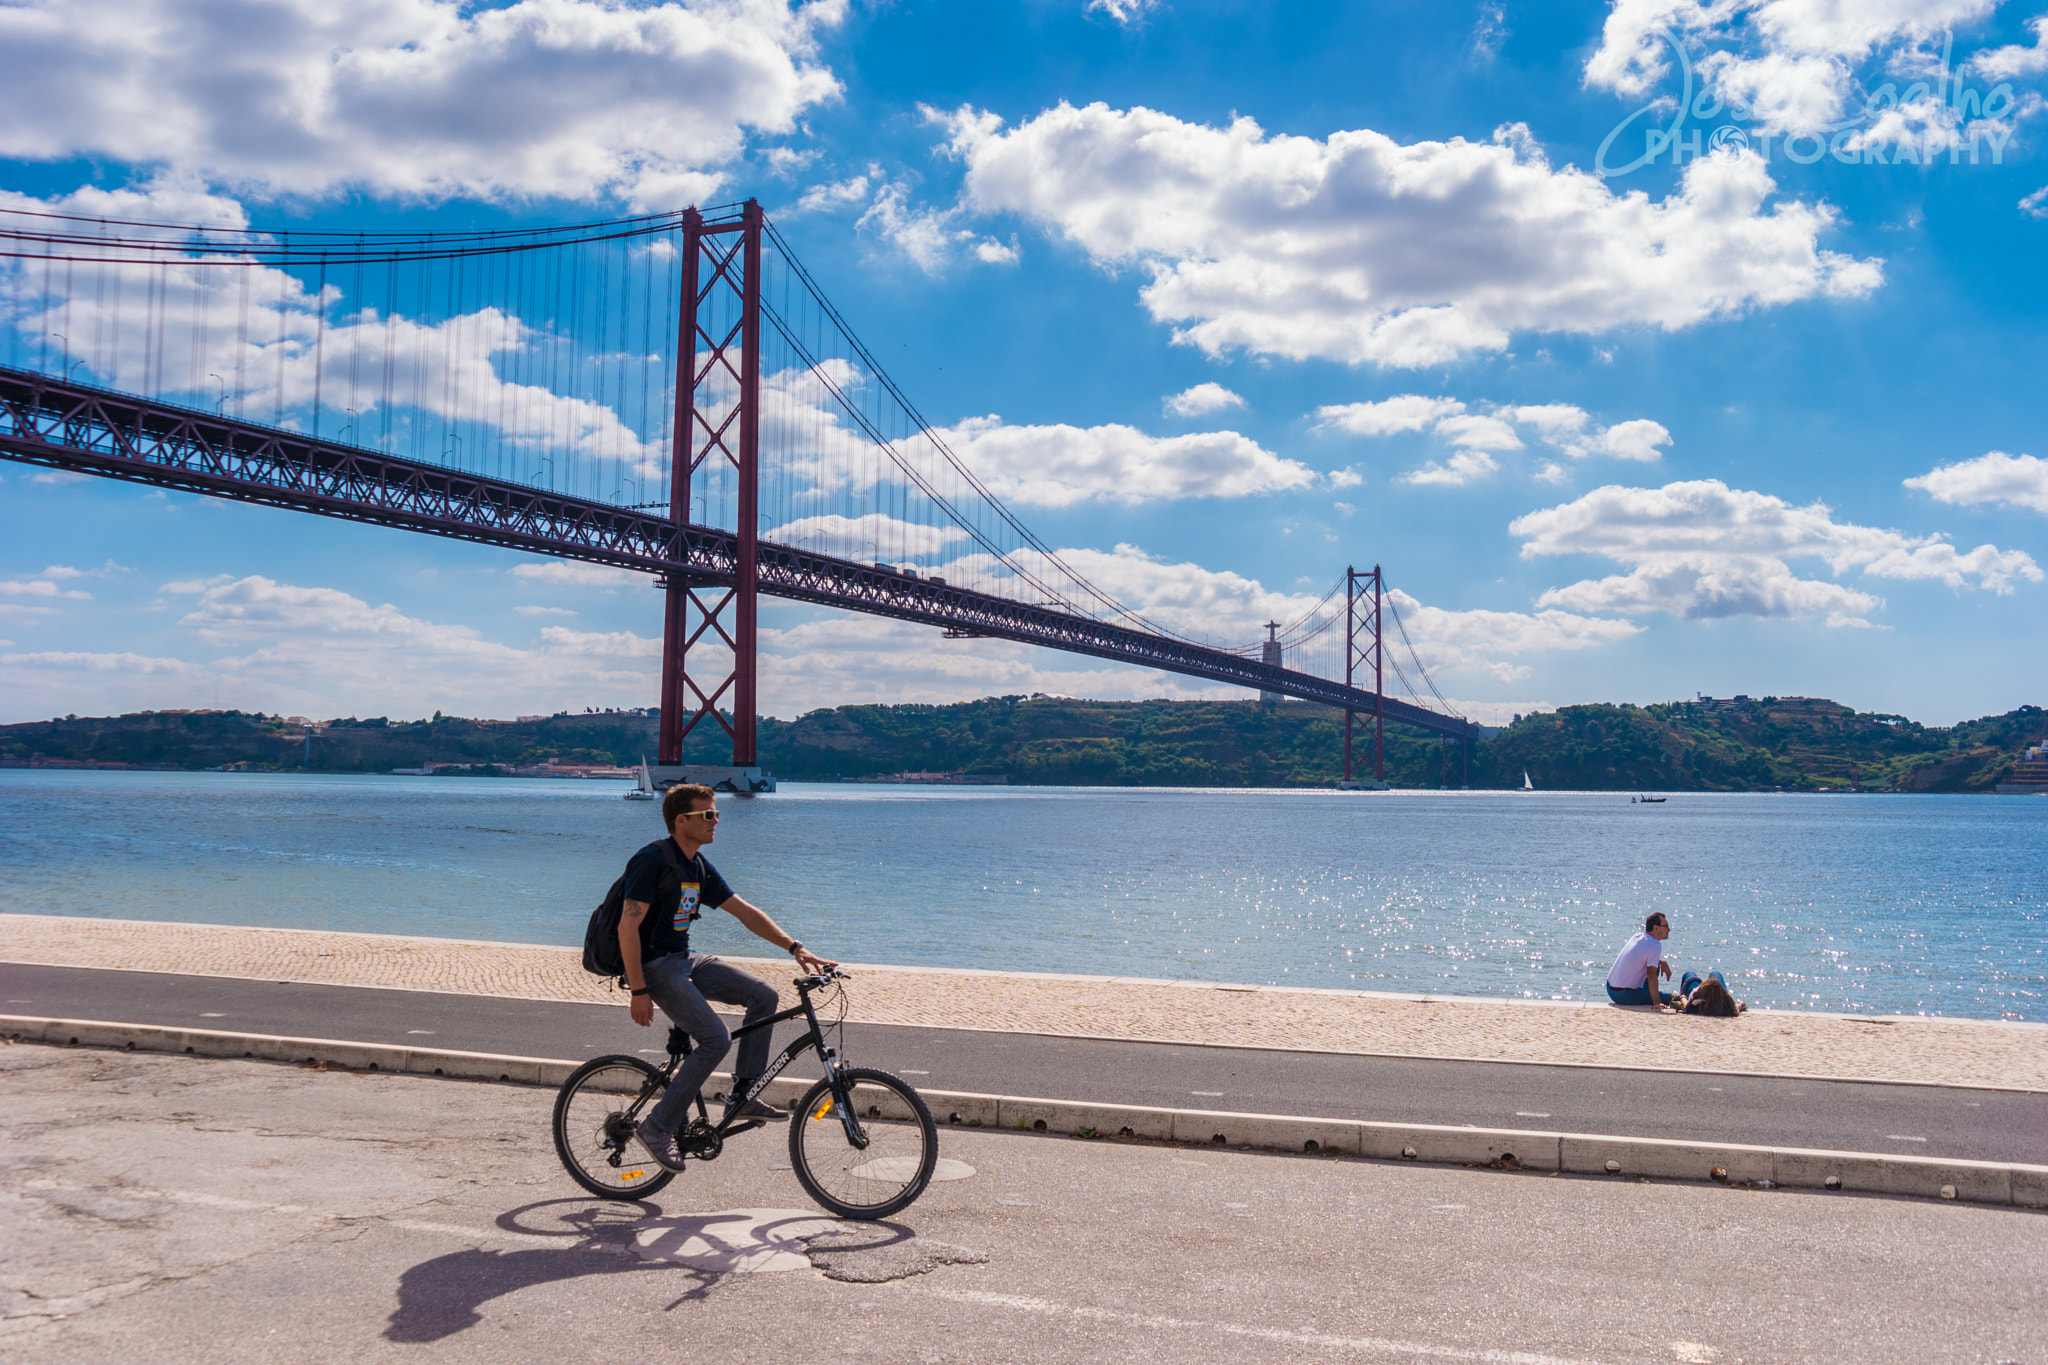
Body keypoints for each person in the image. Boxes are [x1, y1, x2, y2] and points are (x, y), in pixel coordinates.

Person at [619, 782, 837, 1173]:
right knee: (715, 1039)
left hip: (685, 960)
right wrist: (638, 989)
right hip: (656, 966)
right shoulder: (652, 860)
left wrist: (795, 947)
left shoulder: (698, 865)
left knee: (763, 995)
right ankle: (656, 1127)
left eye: (716, 813)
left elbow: (745, 912)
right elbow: (627, 927)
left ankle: (744, 1093)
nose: (716, 820)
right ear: (681, 820)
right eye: (708, 814)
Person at [1605, 912, 1678, 1009]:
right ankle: (1652, 997)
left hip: (1611, 990)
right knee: (1674, 998)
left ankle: (1648, 993)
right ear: (1656, 928)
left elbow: (1639, 957)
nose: (1669, 929)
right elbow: (1651, 975)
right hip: (1625, 995)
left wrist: (1661, 961)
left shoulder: (1637, 937)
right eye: (1666, 926)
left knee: (1655, 965)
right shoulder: (1655, 945)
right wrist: (1657, 1003)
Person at [1677, 970, 1747, 1016]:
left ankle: (1710, 986)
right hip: (1719, 992)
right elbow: (1736, 1008)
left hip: (1695, 991)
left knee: (1689, 974)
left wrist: (1683, 997)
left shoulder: (1697, 1004)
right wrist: (1741, 1004)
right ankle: (1716, 987)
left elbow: (1686, 1005)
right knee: (1715, 974)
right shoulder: (1726, 1007)